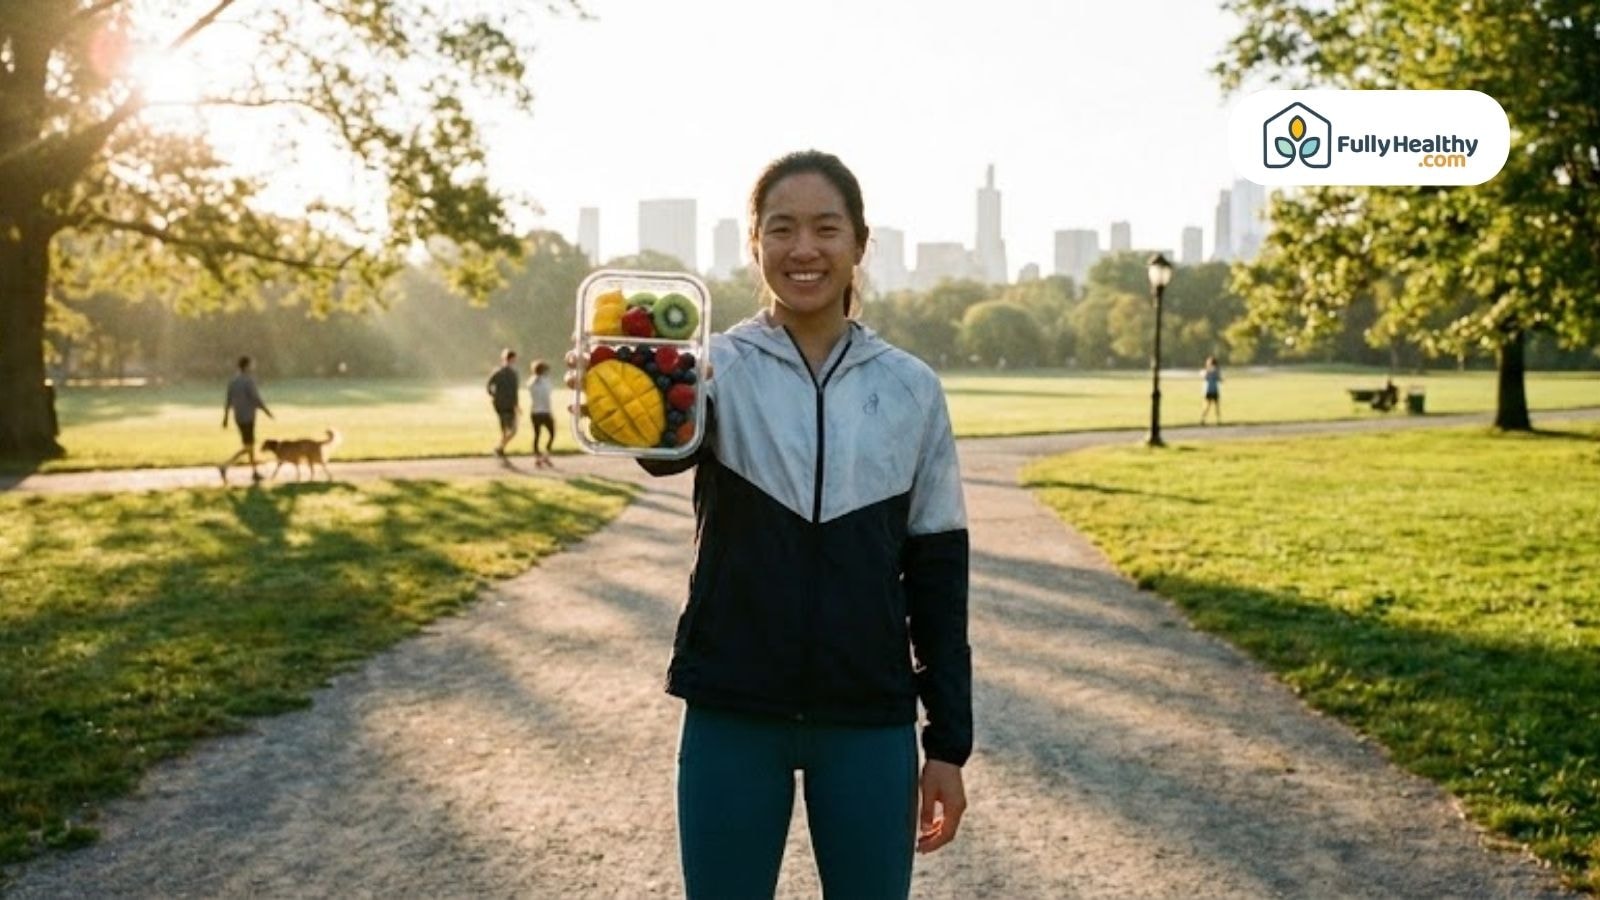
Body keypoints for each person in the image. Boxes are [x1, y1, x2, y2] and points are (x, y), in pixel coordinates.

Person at [635, 151, 971, 899]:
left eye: (826, 227)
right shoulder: (714, 366)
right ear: (754, 243)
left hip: (868, 716)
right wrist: (628, 387)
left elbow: (940, 579)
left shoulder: (911, 387)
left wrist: (947, 743)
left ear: (859, 241)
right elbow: (661, 455)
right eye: (781, 228)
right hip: (732, 707)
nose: (804, 249)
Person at [218, 355, 273, 484]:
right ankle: (225, 466)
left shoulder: (233, 381)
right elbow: (255, 398)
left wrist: (225, 418)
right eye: (252, 364)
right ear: (247, 366)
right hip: (248, 416)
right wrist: (266, 411)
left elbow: (228, 401)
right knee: (248, 447)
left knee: (250, 446)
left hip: (238, 416)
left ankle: (254, 472)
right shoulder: (249, 380)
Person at [486, 348, 520, 457]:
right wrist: (516, 404)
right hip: (507, 405)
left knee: (505, 429)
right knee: (513, 429)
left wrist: (493, 395)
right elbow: (514, 391)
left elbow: (489, 386)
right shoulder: (512, 373)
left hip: (500, 404)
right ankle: (499, 447)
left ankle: (500, 448)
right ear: (512, 359)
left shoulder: (498, 371)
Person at [527, 359, 556, 467]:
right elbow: (549, 393)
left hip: (535, 412)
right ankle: (546, 455)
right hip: (545, 412)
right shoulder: (546, 382)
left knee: (537, 435)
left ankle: (538, 457)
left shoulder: (531, 382)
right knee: (552, 434)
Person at [1200, 355, 1223, 425]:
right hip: (1214, 390)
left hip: (1209, 390)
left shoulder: (1208, 371)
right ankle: (1218, 421)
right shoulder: (1216, 371)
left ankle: (1203, 420)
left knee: (1207, 406)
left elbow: (1204, 377)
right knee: (1216, 406)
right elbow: (1220, 379)